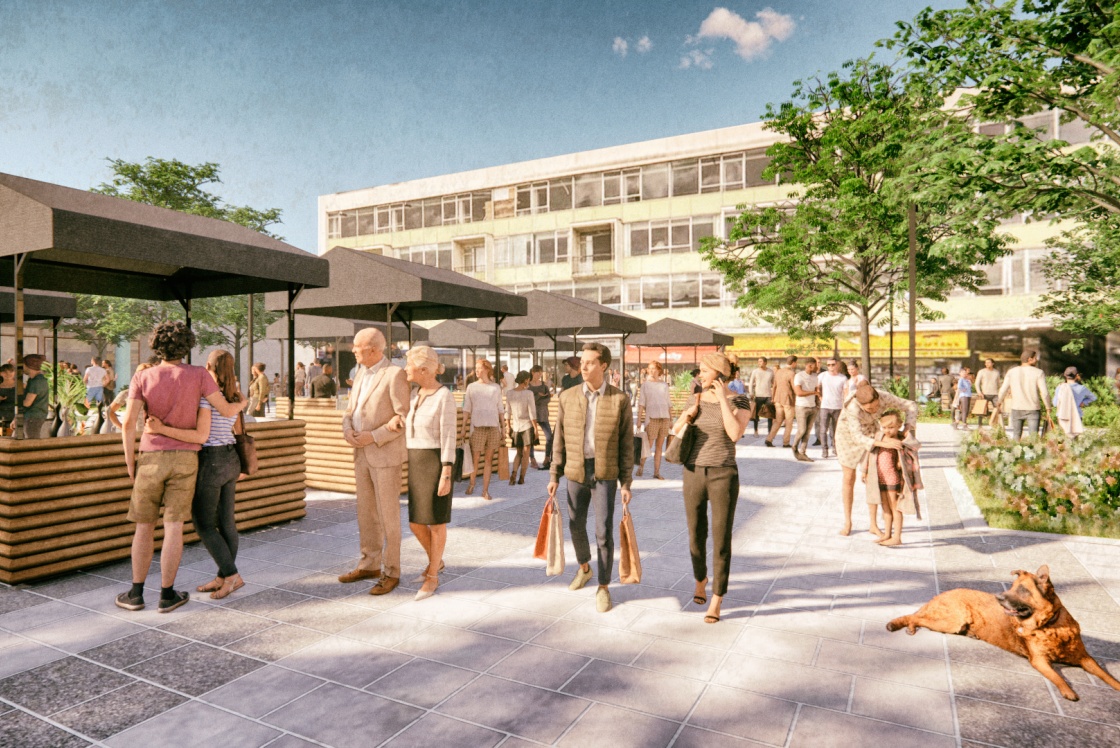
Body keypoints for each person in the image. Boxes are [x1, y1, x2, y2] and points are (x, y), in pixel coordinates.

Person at [115, 322, 246, 614]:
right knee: (173, 527)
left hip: (150, 457)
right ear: (186, 347)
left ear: (155, 346)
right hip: (187, 459)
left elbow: (127, 424)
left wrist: (130, 462)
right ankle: (167, 595)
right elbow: (225, 410)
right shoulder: (199, 374)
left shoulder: (143, 376)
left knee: (144, 526)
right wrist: (242, 404)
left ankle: (135, 594)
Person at [145, 350, 248, 601]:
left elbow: (201, 435)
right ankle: (224, 576)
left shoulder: (206, 397)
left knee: (203, 523)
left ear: (209, 365)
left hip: (211, 460)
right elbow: (237, 430)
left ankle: (232, 575)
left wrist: (162, 429)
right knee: (226, 523)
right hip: (231, 459)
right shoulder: (235, 395)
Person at [549, 343, 633, 614]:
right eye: (581, 362)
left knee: (604, 531)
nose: (583, 367)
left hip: (605, 473)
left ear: (604, 366)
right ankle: (585, 568)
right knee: (575, 525)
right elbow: (558, 439)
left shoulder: (620, 400)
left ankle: (604, 586)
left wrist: (626, 483)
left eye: (589, 362)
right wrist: (554, 474)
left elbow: (626, 445)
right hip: (575, 471)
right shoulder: (567, 396)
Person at [672, 352, 752, 624]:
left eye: (704, 370)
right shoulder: (694, 397)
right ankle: (700, 579)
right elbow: (675, 430)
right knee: (695, 534)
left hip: (723, 474)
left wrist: (721, 400)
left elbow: (734, 434)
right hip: (693, 472)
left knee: (721, 539)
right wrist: (688, 415)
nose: (699, 375)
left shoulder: (739, 400)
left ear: (718, 373)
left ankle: (717, 596)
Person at [340, 327, 410, 595]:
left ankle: (392, 571)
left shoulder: (395, 375)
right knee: (366, 514)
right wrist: (347, 430)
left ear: (373, 349)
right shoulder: (360, 374)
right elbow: (350, 410)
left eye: (357, 347)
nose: (353, 351)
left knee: (387, 516)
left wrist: (373, 436)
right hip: (360, 454)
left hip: (384, 455)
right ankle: (369, 564)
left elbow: (403, 419)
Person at [402, 346, 456, 601]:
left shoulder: (444, 396)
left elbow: (448, 435)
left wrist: (446, 472)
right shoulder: (415, 394)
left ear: (423, 369)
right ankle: (437, 561)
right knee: (415, 522)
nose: (405, 369)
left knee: (436, 522)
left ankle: (432, 575)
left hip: (435, 461)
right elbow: (412, 424)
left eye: (408, 365)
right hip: (416, 460)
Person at [835, 381, 918, 538]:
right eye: (868, 409)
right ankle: (848, 522)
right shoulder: (852, 407)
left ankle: (873, 524)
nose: (873, 411)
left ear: (878, 397)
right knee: (848, 478)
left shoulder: (884, 397)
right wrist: (885, 443)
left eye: (875, 407)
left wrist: (909, 426)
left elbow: (911, 405)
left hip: (873, 432)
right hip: (848, 437)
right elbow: (857, 437)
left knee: (872, 477)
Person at [862, 408, 922, 547]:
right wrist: (865, 471)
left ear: (898, 426)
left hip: (892, 479)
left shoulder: (900, 440)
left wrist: (906, 434)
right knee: (885, 508)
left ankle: (897, 537)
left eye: (891, 427)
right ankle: (887, 534)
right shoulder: (879, 437)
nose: (887, 430)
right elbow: (869, 454)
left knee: (896, 508)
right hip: (879, 478)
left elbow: (913, 449)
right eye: (884, 427)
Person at [461, 358, 505, 500]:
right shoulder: (471, 387)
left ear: (487, 369)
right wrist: (463, 428)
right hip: (477, 427)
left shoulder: (495, 387)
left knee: (488, 459)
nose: (477, 371)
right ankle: (472, 483)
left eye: (480, 368)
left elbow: (500, 409)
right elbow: (466, 409)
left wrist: (503, 428)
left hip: (493, 427)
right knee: (475, 458)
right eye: (476, 368)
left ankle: (485, 490)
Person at [996, 350, 1052, 440]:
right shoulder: (1038, 372)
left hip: (1016, 407)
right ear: (1029, 359)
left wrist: (999, 402)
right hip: (1033, 408)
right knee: (1033, 437)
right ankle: (1034, 453)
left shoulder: (1012, 372)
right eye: (1035, 358)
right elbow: (1044, 393)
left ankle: (1015, 453)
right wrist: (1048, 407)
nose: (1037, 360)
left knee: (1016, 435)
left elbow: (1003, 390)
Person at [637, 361, 671, 479]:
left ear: (659, 371)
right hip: (652, 418)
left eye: (654, 369)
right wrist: (639, 419)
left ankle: (656, 472)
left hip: (664, 418)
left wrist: (671, 419)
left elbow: (668, 403)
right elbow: (641, 402)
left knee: (659, 447)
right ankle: (641, 466)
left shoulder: (664, 385)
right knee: (648, 445)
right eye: (649, 369)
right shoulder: (645, 385)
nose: (651, 371)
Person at [506, 371, 537, 485]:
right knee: (526, 453)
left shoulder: (509, 393)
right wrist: (536, 429)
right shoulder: (529, 393)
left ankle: (513, 473)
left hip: (516, 426)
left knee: (518, 453)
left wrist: (508, 427)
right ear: (526, 380)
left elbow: (507, 412)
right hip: (527, 426)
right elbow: (532, 413)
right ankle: (522, 477)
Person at [1053, 366, 1097, 438]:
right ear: (1077, 375)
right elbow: (1093, 397)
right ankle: (1074, 448)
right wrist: (1083, 402)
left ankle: (1062, 449)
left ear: (1065, 376)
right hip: (1076, 414)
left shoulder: (1060, 387)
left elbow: (1055, 403)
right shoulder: (1082, 388)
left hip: (1062, 415)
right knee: (1074, 438)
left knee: (1062, 438)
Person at [817, 357, 848, 459]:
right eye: (828, 365)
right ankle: (824, 450)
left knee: (835, 430)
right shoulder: (822, 375)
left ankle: (835, 448)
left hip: (838, 407)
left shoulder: (843, 378)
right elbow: (817, 387)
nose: (830, 367)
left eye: (833, 364)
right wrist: (820, 397)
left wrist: (845, 405)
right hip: (825, 406)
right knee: (823, 430)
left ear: (837, 365)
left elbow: (845, 393)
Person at [765, 356, 798, 448]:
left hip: (777, 399)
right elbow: (794, 388)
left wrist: (773, 398)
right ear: (793, 363)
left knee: (777, 421)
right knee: (789, 422)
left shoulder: (778, 372)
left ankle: (769, 439)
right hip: (788, 400)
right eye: (796, 363)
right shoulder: (792, 373)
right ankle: (786, 442)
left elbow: (774, 386)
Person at [792, 357, 820, 462]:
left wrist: (817, 403)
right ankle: (794, 447)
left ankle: (803, 453)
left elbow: (817, 389)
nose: (817, 367)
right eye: (815, 365)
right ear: (810, 365)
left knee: (807, 432)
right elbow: (798, 392)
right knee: (802, 430)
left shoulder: (815, 376)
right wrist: (814, 393)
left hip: (813, 407)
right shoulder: (799, 376)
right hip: (801, 407)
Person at [528, 365, 553, 470]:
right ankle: (532, 459)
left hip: (542, 413)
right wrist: (539, 396)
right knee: (530, 437)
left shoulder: (543, 385)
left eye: (540, 372)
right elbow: (528, 400)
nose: (539, 374)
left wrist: (537, 398)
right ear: (532, 372)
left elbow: (548, 399)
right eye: (537, 372)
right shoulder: (527, 385)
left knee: (549, 437)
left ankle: (547, 457)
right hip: (530, 414)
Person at [21, 354, 50, 439]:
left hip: (33, 416)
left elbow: (27, 403)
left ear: (29, 365)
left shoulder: (36, 381)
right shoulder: (36, 380)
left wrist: (15, 402)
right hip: (34, 415)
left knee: (32, 440)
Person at [748, 356, 774, 436]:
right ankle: (756, 431)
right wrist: (751, 393)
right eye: (758, 361)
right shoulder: (755, 371)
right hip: (758, 395)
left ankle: (770, 432)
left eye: (761, 361)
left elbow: (774, 384)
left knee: (770, 414)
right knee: (756, 414)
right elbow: (751, 383)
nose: (759, 363)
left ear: (765, 363)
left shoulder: (771, 372)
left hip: (768, 395)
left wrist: (774, 394)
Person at [0, 364, 14, 434]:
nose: (8, 374)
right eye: (5, 372)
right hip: (2, 417)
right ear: (1, 373)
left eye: (11, 372)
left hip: (15, 417)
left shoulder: (21, 386)